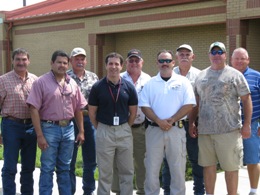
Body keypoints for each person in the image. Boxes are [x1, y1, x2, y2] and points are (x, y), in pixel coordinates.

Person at [189, 42, 252, 195]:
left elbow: (246, 99)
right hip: (205, 132)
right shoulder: (201, 76)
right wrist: (192, 123)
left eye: (220, 52)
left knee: (231, 168)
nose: (216, 55)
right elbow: (196, 103)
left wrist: (247, 124)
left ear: (225, 55)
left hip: (229, 131)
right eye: (213, 52)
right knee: (208, 167)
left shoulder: (235, 74)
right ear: (209, 55)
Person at [26, 50, 87, 194]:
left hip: (69, 129)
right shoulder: (41, 82)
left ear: (68, 64)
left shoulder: (72, 83)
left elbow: (78, 108)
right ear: (52, 63)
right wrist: (40, 135)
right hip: (49, 129)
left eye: (65, 63)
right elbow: (33, 109)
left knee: (65, 167)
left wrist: (82, 131)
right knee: (47, 168)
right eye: (59, 62)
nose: (62, 65)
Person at [139, 49, 196, 195]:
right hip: (154, 131)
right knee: (152, 169)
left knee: (177, 169)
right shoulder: (151, 83)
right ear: (157, 63)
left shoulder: (183, 82)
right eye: (161, 61)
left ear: (173, 62)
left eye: (167, 61)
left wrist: (172, 120)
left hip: (176, 130)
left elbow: (189, 104)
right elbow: (144, 106)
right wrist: (158, 121)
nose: (164, 64)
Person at [88, 52, 138, 195]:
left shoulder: (128, 87)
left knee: (127, 171)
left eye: (117, 64)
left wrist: (126, 127)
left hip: (124, 131)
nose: (113, 67)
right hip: (104, 131)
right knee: (105, 172)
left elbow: (133, 112)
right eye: (110, 63)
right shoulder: (97, 87)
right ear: (106, 65)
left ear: (121, 66)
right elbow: (92, 113)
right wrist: (101, 127)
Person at [162, 44, 205, 195]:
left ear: (193, 57)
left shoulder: (200, 75)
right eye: (181, 54)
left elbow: (199, 102)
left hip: (193, 124)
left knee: (197, 161)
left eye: (188, 54)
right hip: (172, 125)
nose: (184, 56)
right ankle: (168, 191)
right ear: (176, 58)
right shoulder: (169, 73)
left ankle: (199, 192)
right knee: (170, 162)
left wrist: (193, 123)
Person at [111, 49, 151, 195]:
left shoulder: (149, 79)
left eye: (137, 60)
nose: (134, 63)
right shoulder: (118, 78)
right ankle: (119, 190)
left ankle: (141, 190)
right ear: (126, 63)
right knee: (119, 161)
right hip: (121, 127)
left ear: (142, 62)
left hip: (141, 128)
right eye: (131, 60)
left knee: (141, 161)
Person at [0, 48, 38, 195]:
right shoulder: (3, 80)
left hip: (31, 127)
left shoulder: (35, 80)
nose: (21, 62)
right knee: (10, 166)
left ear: (28, 61)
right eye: (18, 59)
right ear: (12, 61)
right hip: (11, 126)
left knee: (29, 166)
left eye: (24, 59)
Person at [68, 47, 98, 195]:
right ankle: (70, 190)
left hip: (90, 119)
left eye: (82, 59)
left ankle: (88, 190)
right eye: (76, 59)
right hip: (70, 121)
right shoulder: (65, 77)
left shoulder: (93, 77)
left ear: (86, 60)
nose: (80, 61)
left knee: (91, 159)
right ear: (71, 61)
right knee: (69, 160)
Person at [231, 47, 260, 195]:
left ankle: (253, 190)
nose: (239, 61)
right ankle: (233, 191)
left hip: (252, 124)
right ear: (231, 60)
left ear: (248, 60)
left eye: (243, 58)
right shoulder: (226, 76)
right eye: (237, 58)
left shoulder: (257, 76)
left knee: (252, 159)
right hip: (230, 127)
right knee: (231, 160)